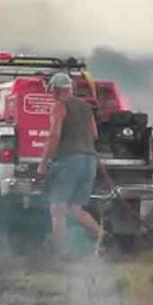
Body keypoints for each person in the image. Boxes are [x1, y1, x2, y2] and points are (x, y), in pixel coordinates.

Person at [37, 72, 103, 256]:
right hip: (89, 162)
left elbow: (54, 135)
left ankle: (58, 255)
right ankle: (103, 239)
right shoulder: (86, 107)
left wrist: (43, 163)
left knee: (58, 209)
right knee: (75, 210)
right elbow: (95, 135)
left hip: (69, 161)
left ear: (55, 90)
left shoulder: (59, 106)